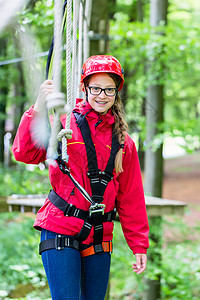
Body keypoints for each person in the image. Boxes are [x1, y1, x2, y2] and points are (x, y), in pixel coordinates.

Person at [12, 55, 149, 300]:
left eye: (109, 89)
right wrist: (38, 107)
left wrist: (139, 244)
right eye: (96, 88)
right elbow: (24, 153)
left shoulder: (123, 142)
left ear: (116, 93)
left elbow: (131, 198)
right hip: (60, 226)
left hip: (98, 232)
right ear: (83, 88)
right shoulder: (63, 125)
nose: (102, 95)